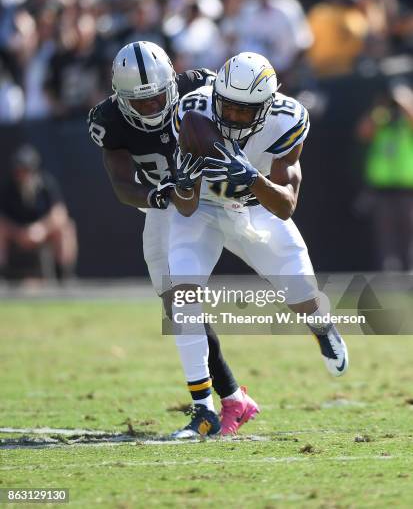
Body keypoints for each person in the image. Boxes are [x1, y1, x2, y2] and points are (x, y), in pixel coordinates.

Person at [169, 52, 349, 438]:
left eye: (244, 111)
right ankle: (203, 409)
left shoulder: (288, 118)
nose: (232, 117)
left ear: (266, 108)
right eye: (228, 107)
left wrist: (251, 177)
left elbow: (285, 206)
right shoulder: (194, 108)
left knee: (301, 290)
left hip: (258, 209)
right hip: (203, 208)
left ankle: (322, 329)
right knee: (180, 293)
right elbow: (184, 207)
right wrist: (185, 181)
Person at [87, 41, 259, 435]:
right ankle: (231, 397)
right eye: (139, 102)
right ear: (121, 96)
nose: (149, 108)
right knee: (178, 306)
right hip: (164, 208)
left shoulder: (200, 89)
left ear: (172, 83)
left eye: (156, 98)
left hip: (217, 199)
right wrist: (156, 194)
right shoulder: (108, 119)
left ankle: (207, 410)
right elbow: (120, 183)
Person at [356, 79, 413, 271]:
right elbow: (363, 132)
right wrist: (381, 107)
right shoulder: (381, 119)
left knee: (408, 234)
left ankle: (409, 273)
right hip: (382, 189)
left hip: (407, 189)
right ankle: (389, 275)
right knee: (385, 236)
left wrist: (403, 99)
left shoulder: (406, 124)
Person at [0, 144, 77, 280]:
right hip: (17, 232)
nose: (21, 174)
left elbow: (60, 214)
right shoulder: (8, 187)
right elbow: (3, 218)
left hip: (42, 232)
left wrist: (41, 229)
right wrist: (18, 232)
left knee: (66, 228)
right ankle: (2, 276)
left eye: (25, 169)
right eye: (19, 170)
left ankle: (64, 276)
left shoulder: (47, 184)